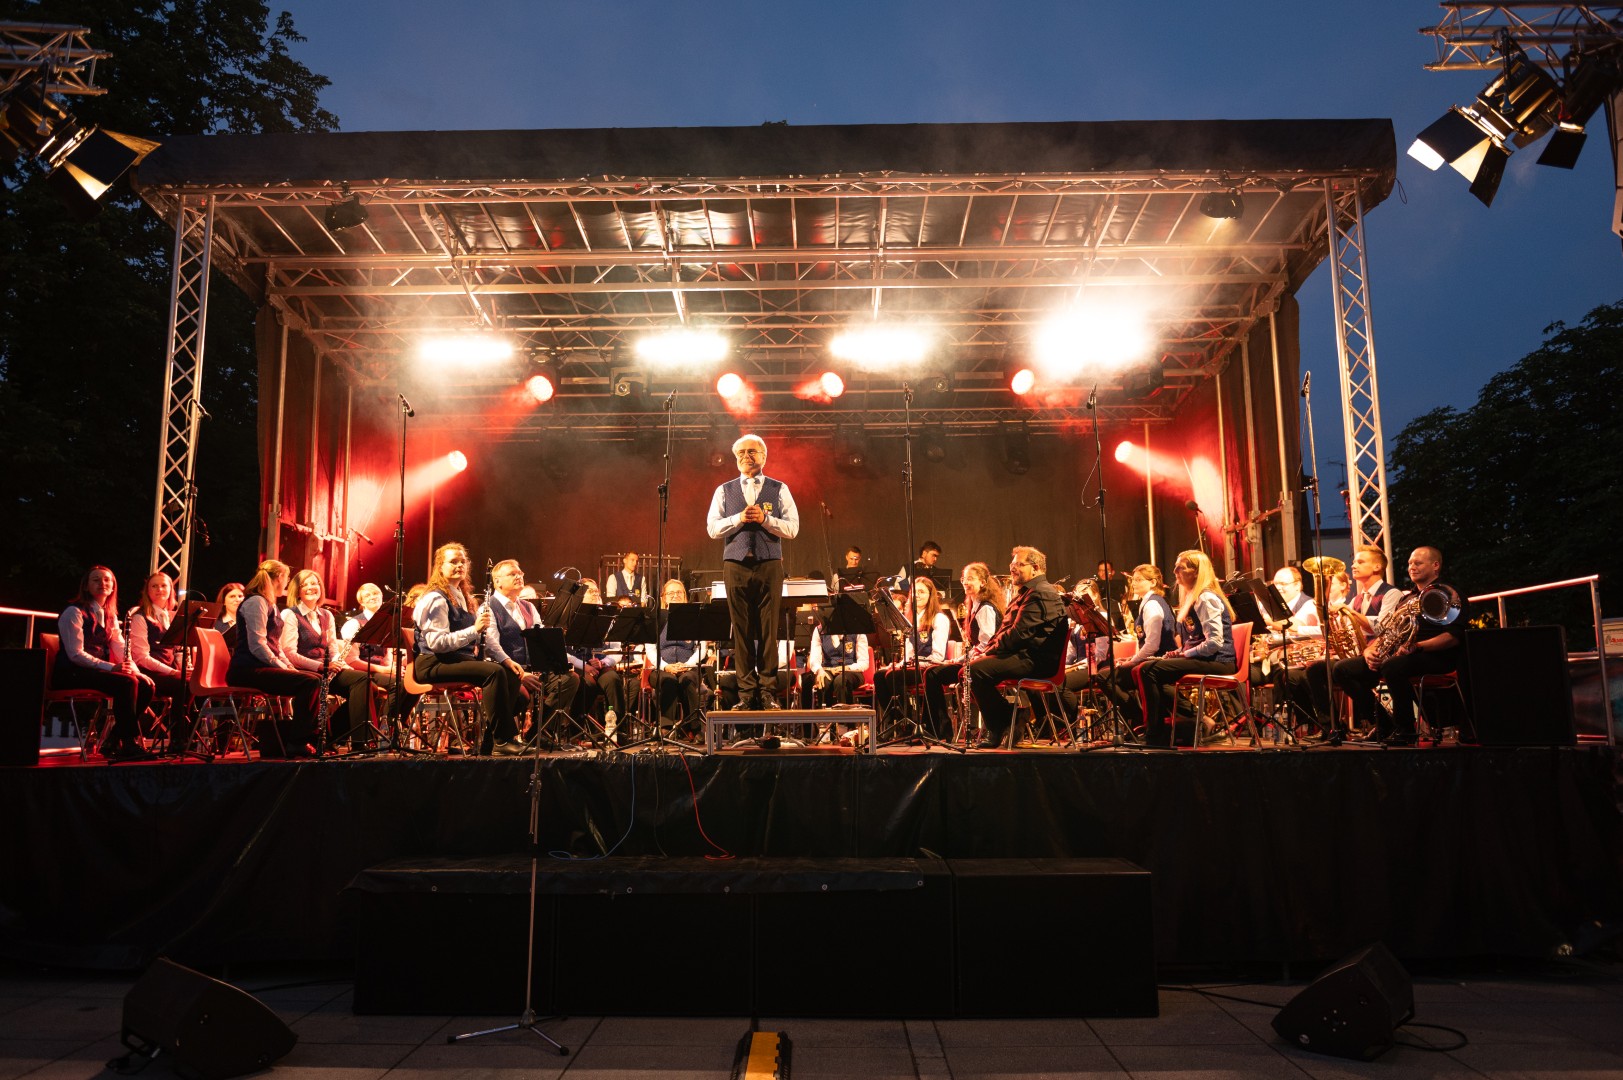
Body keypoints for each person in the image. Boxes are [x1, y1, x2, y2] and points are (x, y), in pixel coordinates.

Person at [1333, 546, 1465, 747]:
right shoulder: (1407, 599)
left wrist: (1417, 646)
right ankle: (1384, 724)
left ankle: (1406, 730)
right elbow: (1388, 631)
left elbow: (1453, 637)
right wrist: (1371, 651)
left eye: (1418, 563)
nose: (1412, 567)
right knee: (1342, 669)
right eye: (1410, 563)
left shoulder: (1447, 594)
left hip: (1437, 656)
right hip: (1404, 655)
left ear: (1435, 565)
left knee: (1393, 666)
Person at [706, 433, 800, 710]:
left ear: (764, 457)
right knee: (741, 630)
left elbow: (793, 528)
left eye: (752, 452)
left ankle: (767, 691)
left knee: (769, 630)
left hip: (769, 563)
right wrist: (739, 518)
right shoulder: (724, 490)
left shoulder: (779, 488)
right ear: (735, 459)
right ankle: (747, 694)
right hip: (735, 564)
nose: (746, 456)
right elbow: (713, 528)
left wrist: (766, 520)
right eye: (741, 453)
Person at [413, 542, 525, 756]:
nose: (459, 565)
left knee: (510, 674)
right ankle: (502, 740)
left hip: (455, 660)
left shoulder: (462, 596)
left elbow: (483, 638)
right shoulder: (435, 598)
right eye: (453, 562)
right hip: (433, 662)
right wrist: (474, 630)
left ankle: (492, 741)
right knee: (494, 673)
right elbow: (437, 643)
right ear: (440, 567)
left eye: (462, 561)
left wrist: (506, 659)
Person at [1133, 550, 1237, 748]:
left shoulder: (1206, 598)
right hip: (1206, 658)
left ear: (1196, 572)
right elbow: (1197, 639)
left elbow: (1214, 642)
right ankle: (1192, 722)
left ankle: (1156, 734)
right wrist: (1180, 652)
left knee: (1148, 670)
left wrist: (1186, 654)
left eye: (1180, 567)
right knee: (1149, 670)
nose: (1174, 571)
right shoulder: (1193, 598)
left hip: (1220, 661)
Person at [966, 547, 1068, 749]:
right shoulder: (1029, 592)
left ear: (1035, 568)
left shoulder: (1041, 593)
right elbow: (1007, 630)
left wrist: (989, 651)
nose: (1012, 568)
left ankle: (1002, 724)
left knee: (976, 670)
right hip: (1024, 655)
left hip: (1036, 661)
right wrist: (989, 650)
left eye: (1018, 564)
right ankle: (1011, 717)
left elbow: (1019, 634)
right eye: (1011, 564)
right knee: (974, 668)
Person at [54, 566, 156, 762]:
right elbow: (75, 654)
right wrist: (111, 667)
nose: (103, 583)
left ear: (113, 587)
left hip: (93, 672)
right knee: (126, 683)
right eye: (96, 580)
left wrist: (136, 671)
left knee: (145, 684)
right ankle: (127, 742)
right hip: (71, 672)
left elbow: (120, 647)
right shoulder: (74, 612)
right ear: (86, 586)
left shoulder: (109, 615)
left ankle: (114, 739)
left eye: (107, 580)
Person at [280, 569, 388, 751]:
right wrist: (321, 666)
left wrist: (343, 665)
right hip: (306, 670)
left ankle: (356, 741)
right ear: (297, 590)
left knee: (365, 682)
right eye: (305, 584)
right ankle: (335, 737)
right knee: (364, 683)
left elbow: (333, 649)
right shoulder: (290, 614)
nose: (311, 587)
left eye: (314, 583)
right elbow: (290, 653)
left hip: (327, 668)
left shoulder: (326, 615)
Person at [226, 559, 321, 758]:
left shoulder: (270, 604)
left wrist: (289, 666)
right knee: (309, 682)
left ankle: (313, 739)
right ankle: (297, 742)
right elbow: (257, 645)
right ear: (279, 577)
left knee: (315, 679)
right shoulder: (256, 602)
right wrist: (281, 667)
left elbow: (275, 646)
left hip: (260, 667)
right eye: (287, 578)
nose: (287, 582)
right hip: (246, 670)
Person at [482, 559, 580, 746]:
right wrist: (520, 674)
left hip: (533, 668)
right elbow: (491, 647)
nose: (519, 576)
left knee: (569, 679)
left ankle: (537, 733)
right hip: (505, 671)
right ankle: (497, 738)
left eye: (520, 573)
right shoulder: (489, 607)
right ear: (497, 581)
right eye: (512, 574)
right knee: (520, 695)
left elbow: (541, 640)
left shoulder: (528, 607)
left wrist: (557, 660)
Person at [874, 576, 953, 734]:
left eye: (922, 592)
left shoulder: (939, 618)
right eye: (914, 592)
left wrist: (913, 664)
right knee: (879, 676)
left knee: (894, 676)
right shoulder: (911, 619)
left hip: (929, 666)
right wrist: (901, 663)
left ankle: (910, 719)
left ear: (930, 595)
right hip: (914, 665)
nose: (917, 595)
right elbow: (909, 651)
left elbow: (937, 656)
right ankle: (897, 721)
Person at [1104, 564, 1178, 726]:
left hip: (1160, 660)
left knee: (1105, 678)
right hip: (1153, 659)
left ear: (1153, 582)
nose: (1133, 583)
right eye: (1133, 580)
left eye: (1138, 580)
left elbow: (1152, 645)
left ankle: (1138, 718)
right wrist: (1132, 658)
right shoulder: (1150, 602)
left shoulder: (1152, 605)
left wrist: (1132, 661)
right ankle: (1144, 719)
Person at [1248, 566, 1322, 726]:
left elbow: (1299, 628)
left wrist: (1266, 621)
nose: (1279, 588)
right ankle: (1249, 723)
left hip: (1291, 659)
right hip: (1266, 659)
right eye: (1276, 584)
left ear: (1297, 585)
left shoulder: (1308, 604)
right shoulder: (1268, 604)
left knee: (1284, 674)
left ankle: (1285, 725)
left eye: (1283, 584)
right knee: (1239, 674)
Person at [565, 579, 630, 743]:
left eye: (596, 591)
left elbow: (617, 649)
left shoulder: (608, 618)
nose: (595, 594)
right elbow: (564, 652)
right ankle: (576, 733)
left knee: (613, 679)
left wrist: (604, 662)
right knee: (587, 684)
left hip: (600, 665)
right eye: (590, 591)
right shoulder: (569, 618)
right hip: (577, 666)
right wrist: (584, 666)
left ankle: (619, 731)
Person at [128, 571, 189, 744]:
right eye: (154, 586)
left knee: (194, 682)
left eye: (163, 585)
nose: (159, 589)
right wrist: (172, 672)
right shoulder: (140, 617)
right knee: (183, 685)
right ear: (147, 591)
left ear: (171, 590)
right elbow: (141, 657)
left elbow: (176, 651)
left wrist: (183, 668)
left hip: (168, 671)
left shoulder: (171, 616)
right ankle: (178, 739)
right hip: (148, 672)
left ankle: (185, 735)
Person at [645, 579, 705, 731]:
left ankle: (694, 729)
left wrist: (687, 665)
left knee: (687, 680)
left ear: (685, 596)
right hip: (661, 668)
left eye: (679, 592)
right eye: (670, 593)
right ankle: (665, 727)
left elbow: (701, 648)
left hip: (689, 667)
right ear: (663, 597)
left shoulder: (695, 617)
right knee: (669, 681)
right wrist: (666, 667)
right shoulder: (656, 619)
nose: (675, 595)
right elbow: (650, 650)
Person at [806, 614, 870, 707]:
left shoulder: (857, 629)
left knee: (841, 681)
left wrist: (846, 668)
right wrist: (819, 670)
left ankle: (847, 715)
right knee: (823, 681)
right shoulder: (819, 630)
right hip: (828, 669)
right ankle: (825, 714)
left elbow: (864, 663)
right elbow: (814, 658)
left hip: (852, 671)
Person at [215, 582, 245, 648]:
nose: (237, 600)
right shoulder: (214, 624)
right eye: (232, 596)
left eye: (240, 596)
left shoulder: (252, 621)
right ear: (224, 601)